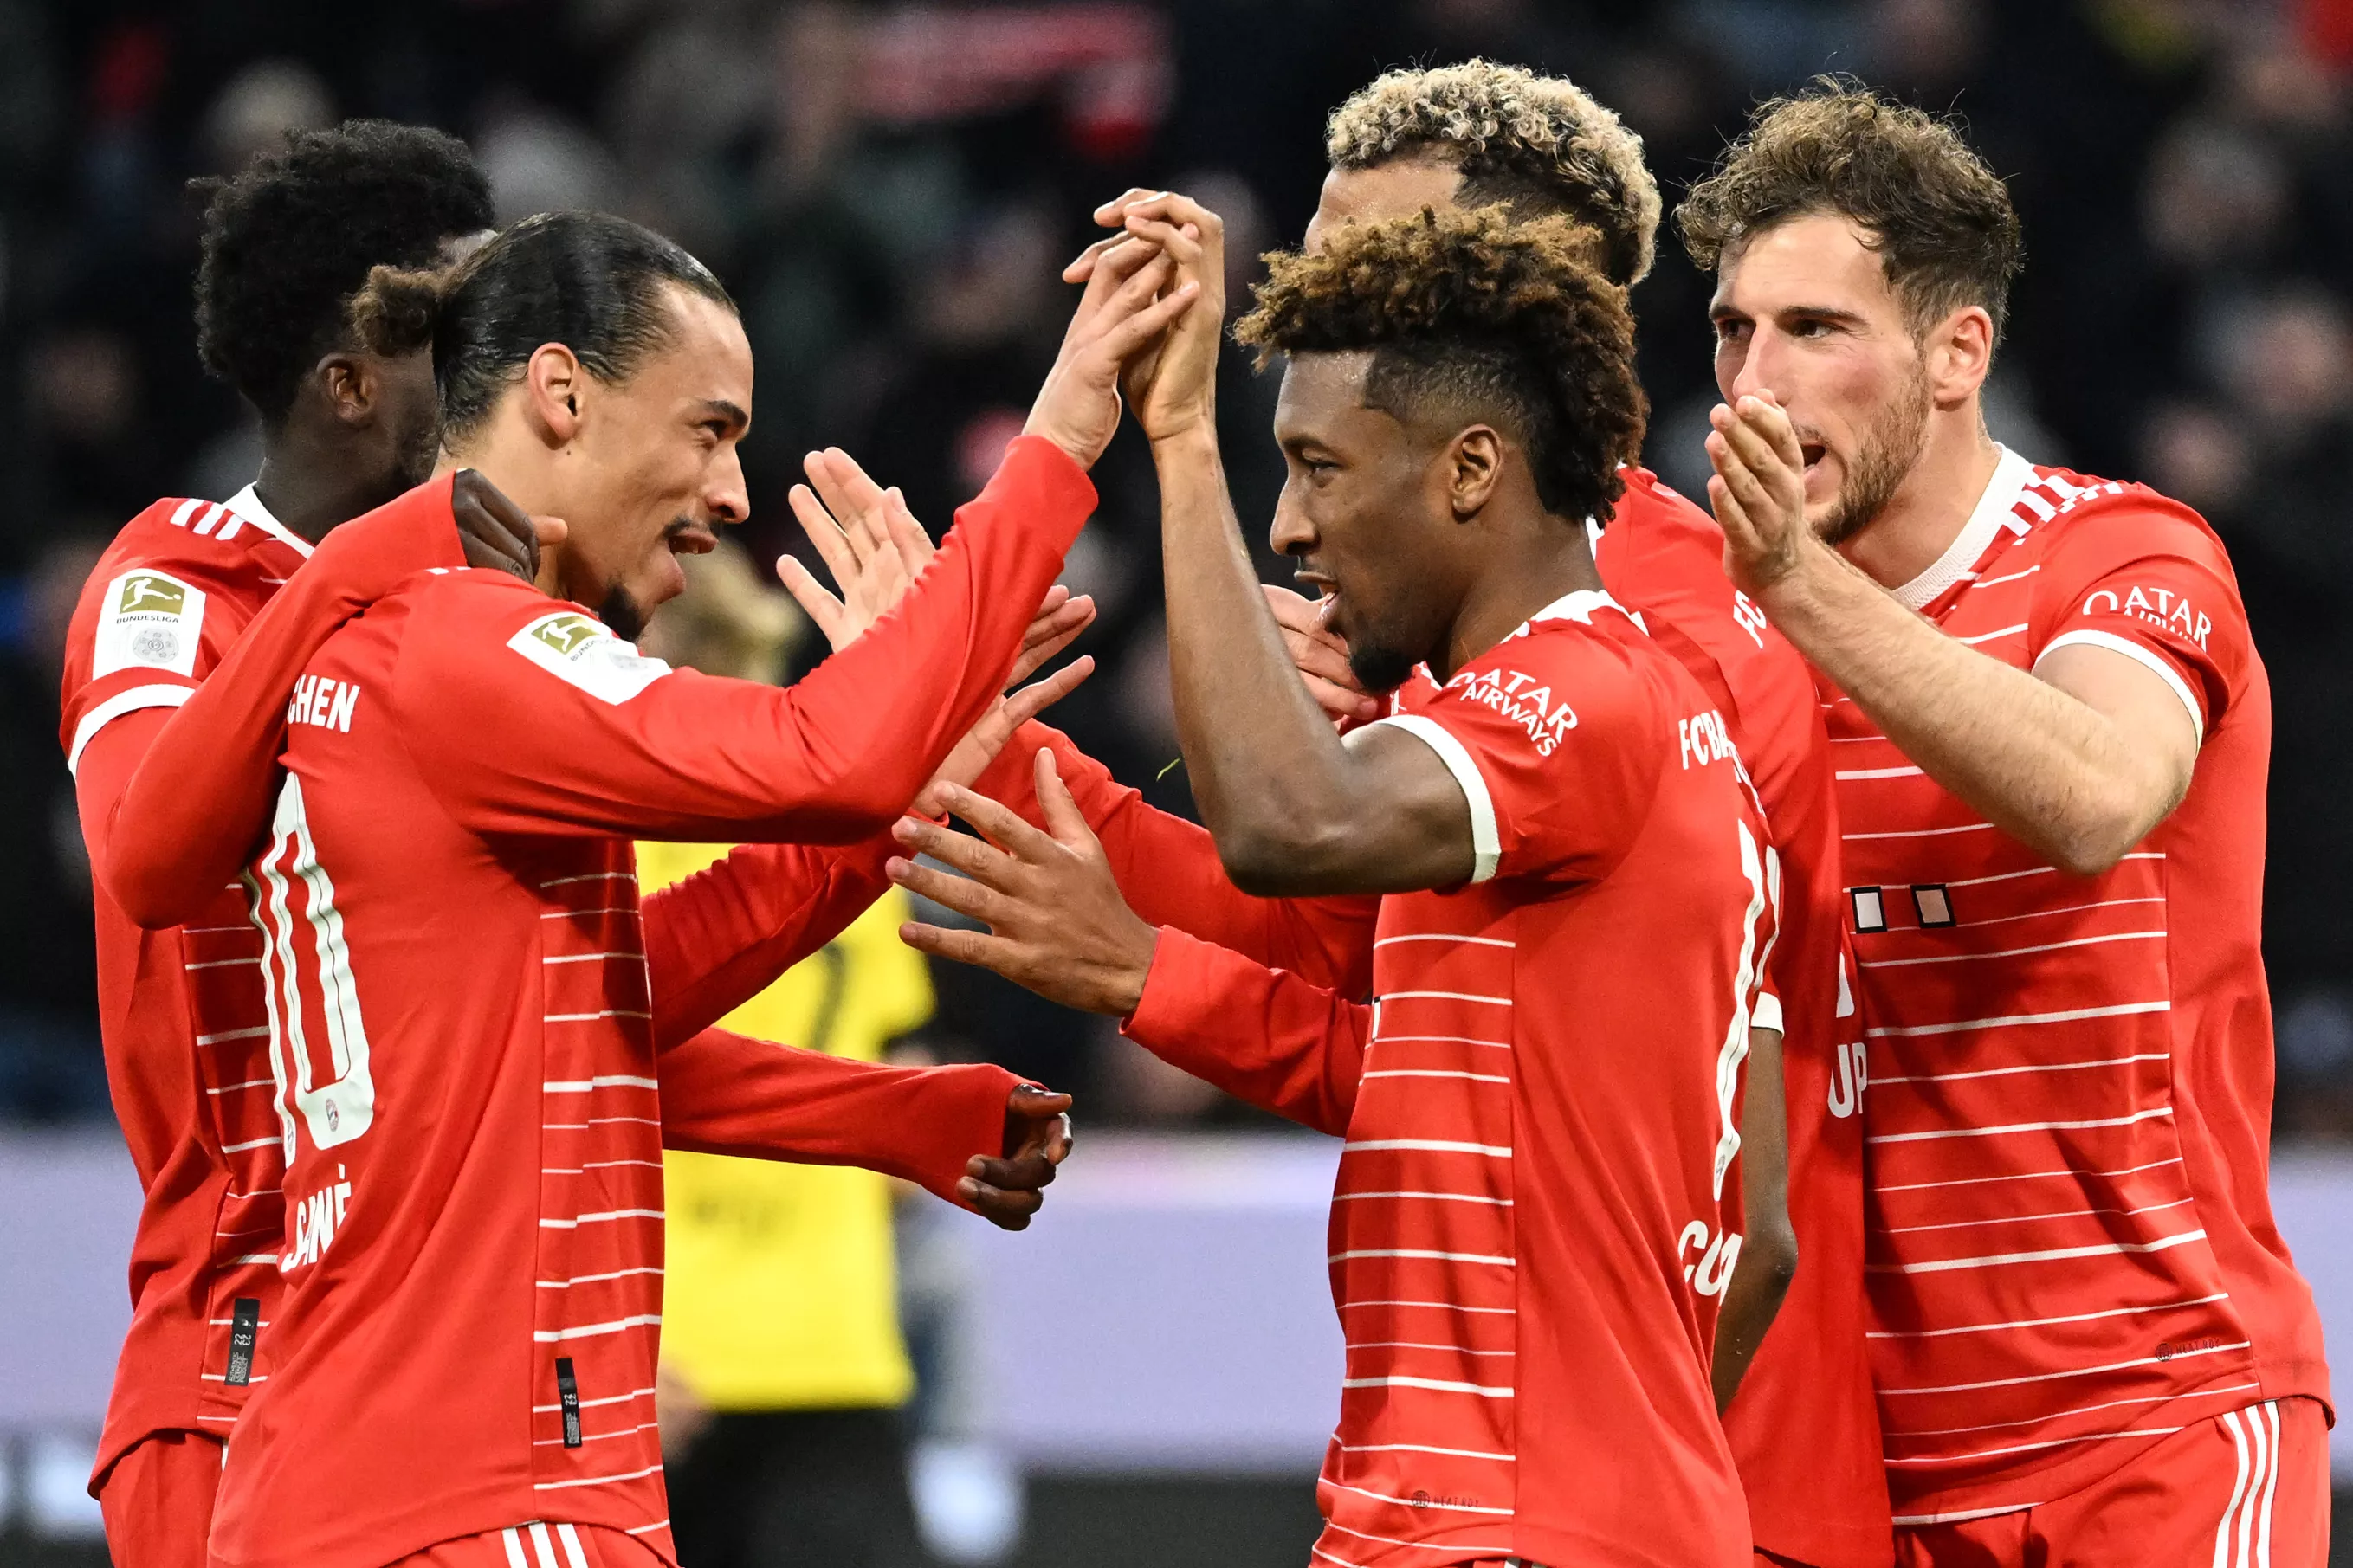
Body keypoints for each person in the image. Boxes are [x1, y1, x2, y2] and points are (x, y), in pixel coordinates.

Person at [95, 209, 1186, 1568]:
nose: (731, 492)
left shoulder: (417, 656)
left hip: (390, 1475)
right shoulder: (466, 643)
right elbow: (823, 754)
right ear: (561, 395)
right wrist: (1065, 431)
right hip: (475, 1490)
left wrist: (891, 1046)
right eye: (708, 430)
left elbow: (610, 1002)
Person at [1046, 60, 1887, 1568]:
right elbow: (1387, 989)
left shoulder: (1661, 644)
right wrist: (977, 738)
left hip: (1629, 1467)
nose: (1323, 298)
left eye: (1374, 259)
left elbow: (1728, 1182)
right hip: (1492, 1471)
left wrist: (1148, 973)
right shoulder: (1466, 645)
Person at [901, 203, 1782, 1568]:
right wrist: (989, 744)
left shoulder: (1577, 701)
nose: (1290, 524)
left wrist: (1182, 439)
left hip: (1512, 1522)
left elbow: (1285, 825)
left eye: (1318, 467)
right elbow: (1742, 1226)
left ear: (1470, 470)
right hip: (1519, 1507)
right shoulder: (1622, 725)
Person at [1682, 83, 2328, 1565]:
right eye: (1734, 330)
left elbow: (2098, 794)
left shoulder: (2124, 556)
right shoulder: (1724, 644)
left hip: (2159, 1419)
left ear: (1958, 352)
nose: (1757, 384)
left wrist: (1800, 592)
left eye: (1816, 329)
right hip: (1863, 1472)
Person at [54, 120, 536, 1568]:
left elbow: (551, 1023)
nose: (509, 373)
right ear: (353, 382)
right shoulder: (170, 589)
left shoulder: (470, 621)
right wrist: (352, 577)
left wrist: (882, 1118)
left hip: (431, 1391)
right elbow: (143, 847)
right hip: (232, 1376)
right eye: (461, 336)